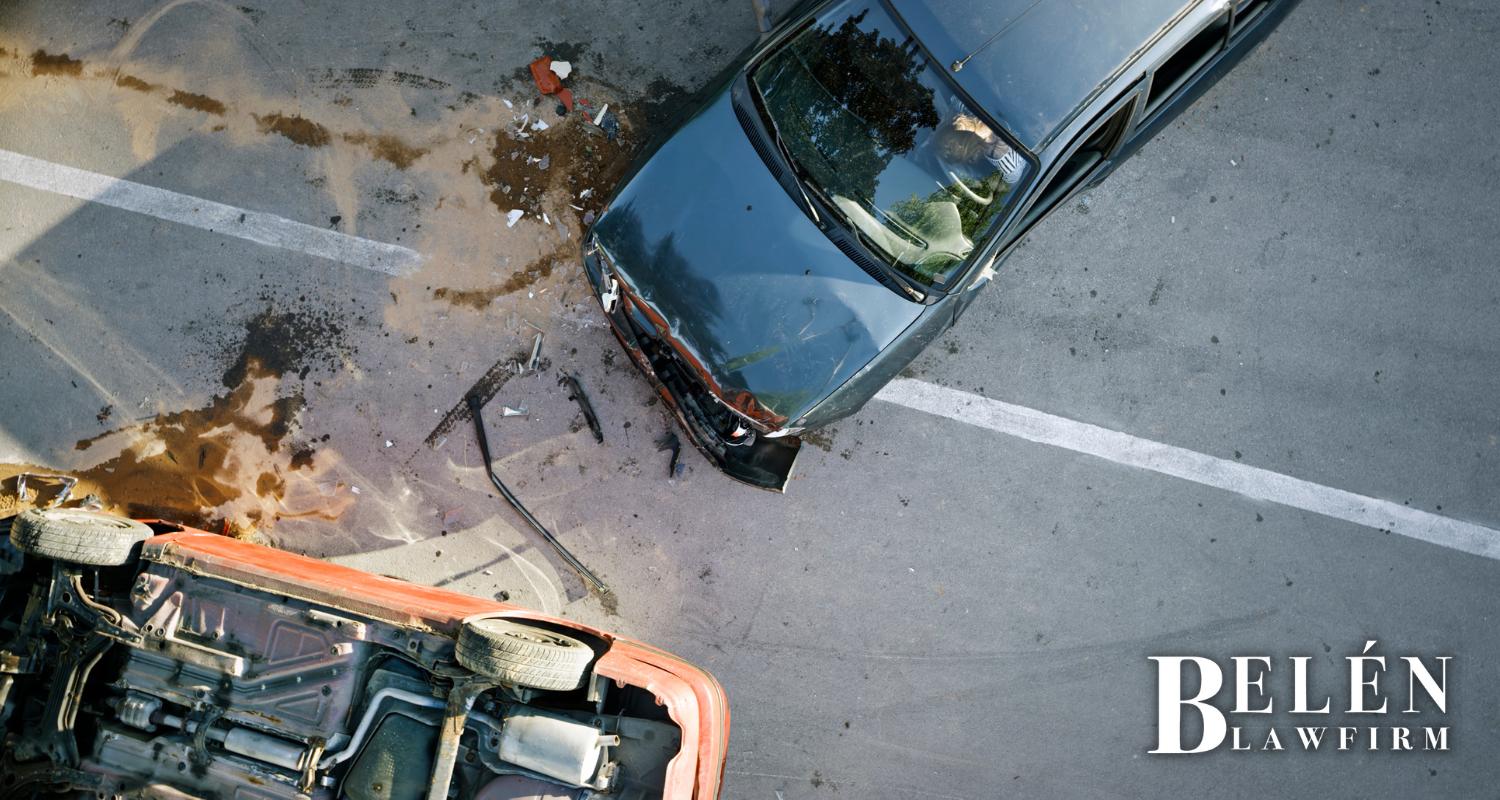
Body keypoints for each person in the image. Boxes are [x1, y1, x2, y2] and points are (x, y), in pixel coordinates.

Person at [946, 113, 1027, 186]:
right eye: (986, 139)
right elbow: (1012, 182)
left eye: (977, 121)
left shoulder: (971, 111)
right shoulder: (1009, 165)